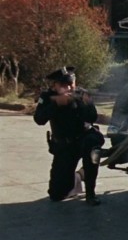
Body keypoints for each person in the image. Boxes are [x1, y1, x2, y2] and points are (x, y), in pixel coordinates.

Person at [33, 66, 105, 206]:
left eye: (71, 84)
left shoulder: (82, 94)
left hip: (84, 138)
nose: (68, 88)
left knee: (91, 146)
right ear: (54, 86)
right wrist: (55, 104)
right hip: (65, 145)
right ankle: (79, 176)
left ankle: (91, 193)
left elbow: (92, 117)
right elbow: (39, 119)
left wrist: (78, 102)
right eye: (63, 85)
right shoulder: (47, 97)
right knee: (56, 194)